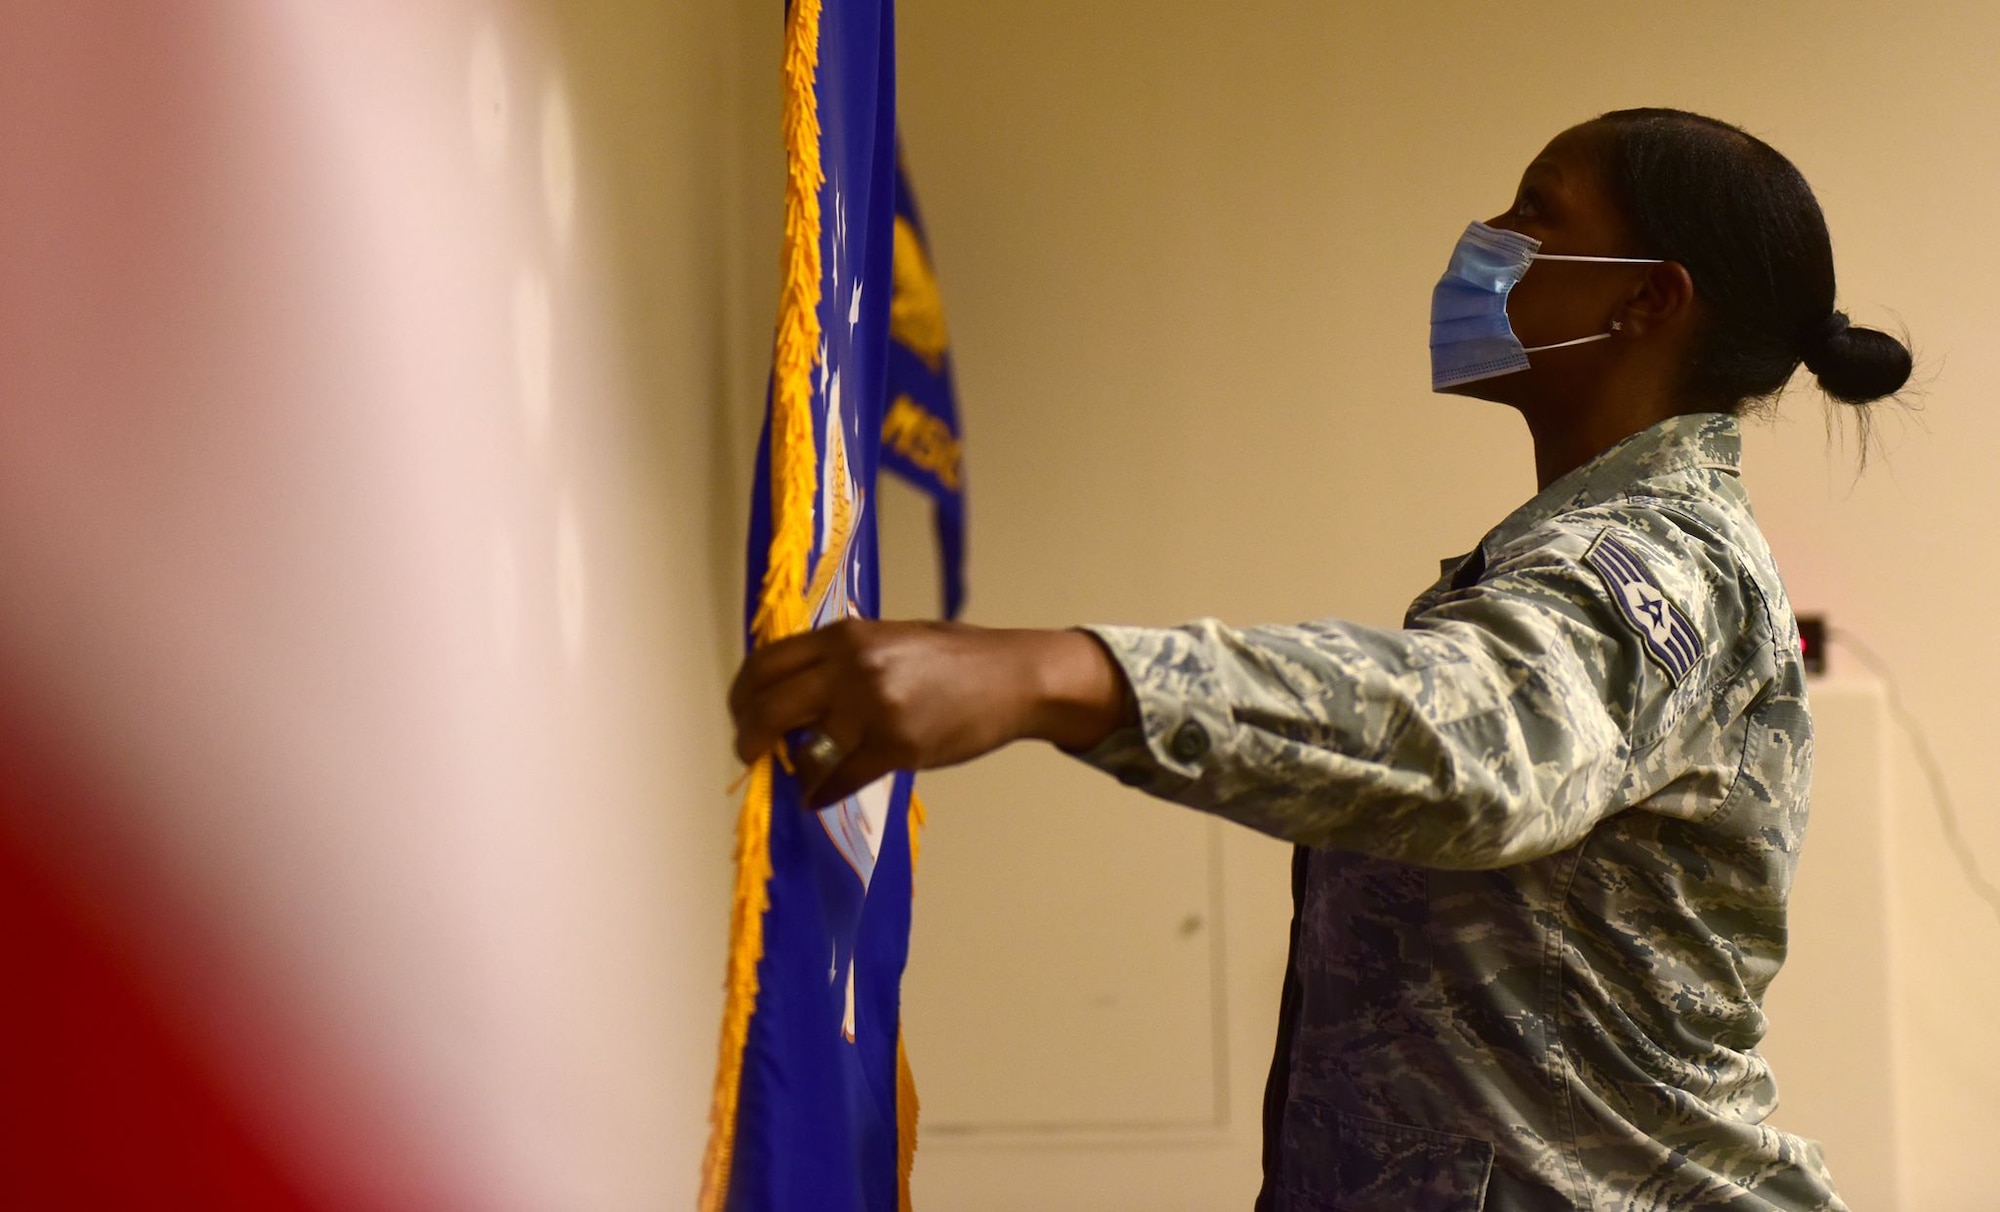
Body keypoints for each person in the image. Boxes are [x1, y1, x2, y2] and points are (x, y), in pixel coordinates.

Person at [727, 107, 1912, 1211]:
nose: (1487, 240)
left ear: (1650, 300)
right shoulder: (1576, 546)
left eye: (1536, 212)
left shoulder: (1657, 560)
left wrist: (1055, 673)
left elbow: (1477, 741)